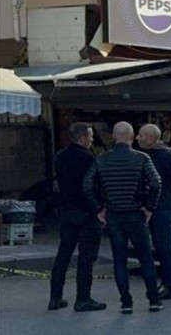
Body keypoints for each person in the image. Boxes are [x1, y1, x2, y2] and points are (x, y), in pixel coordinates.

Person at [83, 121, 163, 314]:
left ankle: (126, 302)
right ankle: (153, 299)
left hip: (113, 215)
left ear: (113, 136)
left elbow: (87, 184)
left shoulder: (101, 159)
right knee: (146, 258)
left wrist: (99, 208)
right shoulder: (142, 158)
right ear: (131, 136)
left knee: (119, 259)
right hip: (136, 213)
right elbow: (155, 182)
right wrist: (149, 206)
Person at [49, 123, 106, 312]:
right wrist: (98, 208)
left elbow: (57, 184)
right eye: (90, 136)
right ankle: (83, 298)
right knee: (86, 257)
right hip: (86, 212)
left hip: (66, 210)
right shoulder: (88, 159)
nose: (92, 139)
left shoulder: (60, 157)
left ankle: (55, 297)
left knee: (63, 254)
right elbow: (93, 186)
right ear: (82, 138)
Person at [136, 124, 171, 300]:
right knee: (158, 246)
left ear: (151, 138)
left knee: (164, 247)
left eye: (141, 135)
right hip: (154, 205)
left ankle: (170, 285)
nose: (137, 138)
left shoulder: (165, 155)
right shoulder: (147, 155)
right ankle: (165, 282)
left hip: (162, 206)